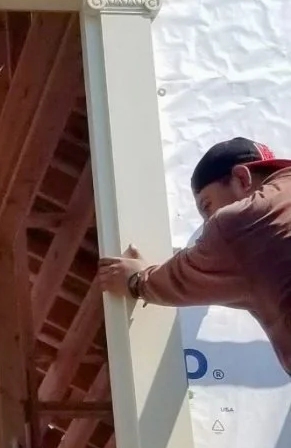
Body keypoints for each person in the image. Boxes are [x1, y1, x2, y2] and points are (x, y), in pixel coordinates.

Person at [97, 136, 291, 372]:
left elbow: (180, 278)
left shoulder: (240, 222)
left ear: (242, 178)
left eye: (207, 206)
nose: (208, 222)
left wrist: (136, 281)